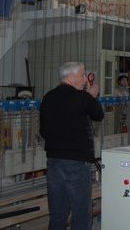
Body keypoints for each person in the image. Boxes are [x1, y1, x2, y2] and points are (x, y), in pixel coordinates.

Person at [40, 62, 104, 230]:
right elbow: (99, 114)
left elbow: (43, 131)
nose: (85, 79)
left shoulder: (48, 97)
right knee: (81, 214)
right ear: (71, 77)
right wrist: (91, 95)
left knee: (57, 214)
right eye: (82, 75)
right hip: (76, 163)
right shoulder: (81, 97)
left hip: (53, 163)